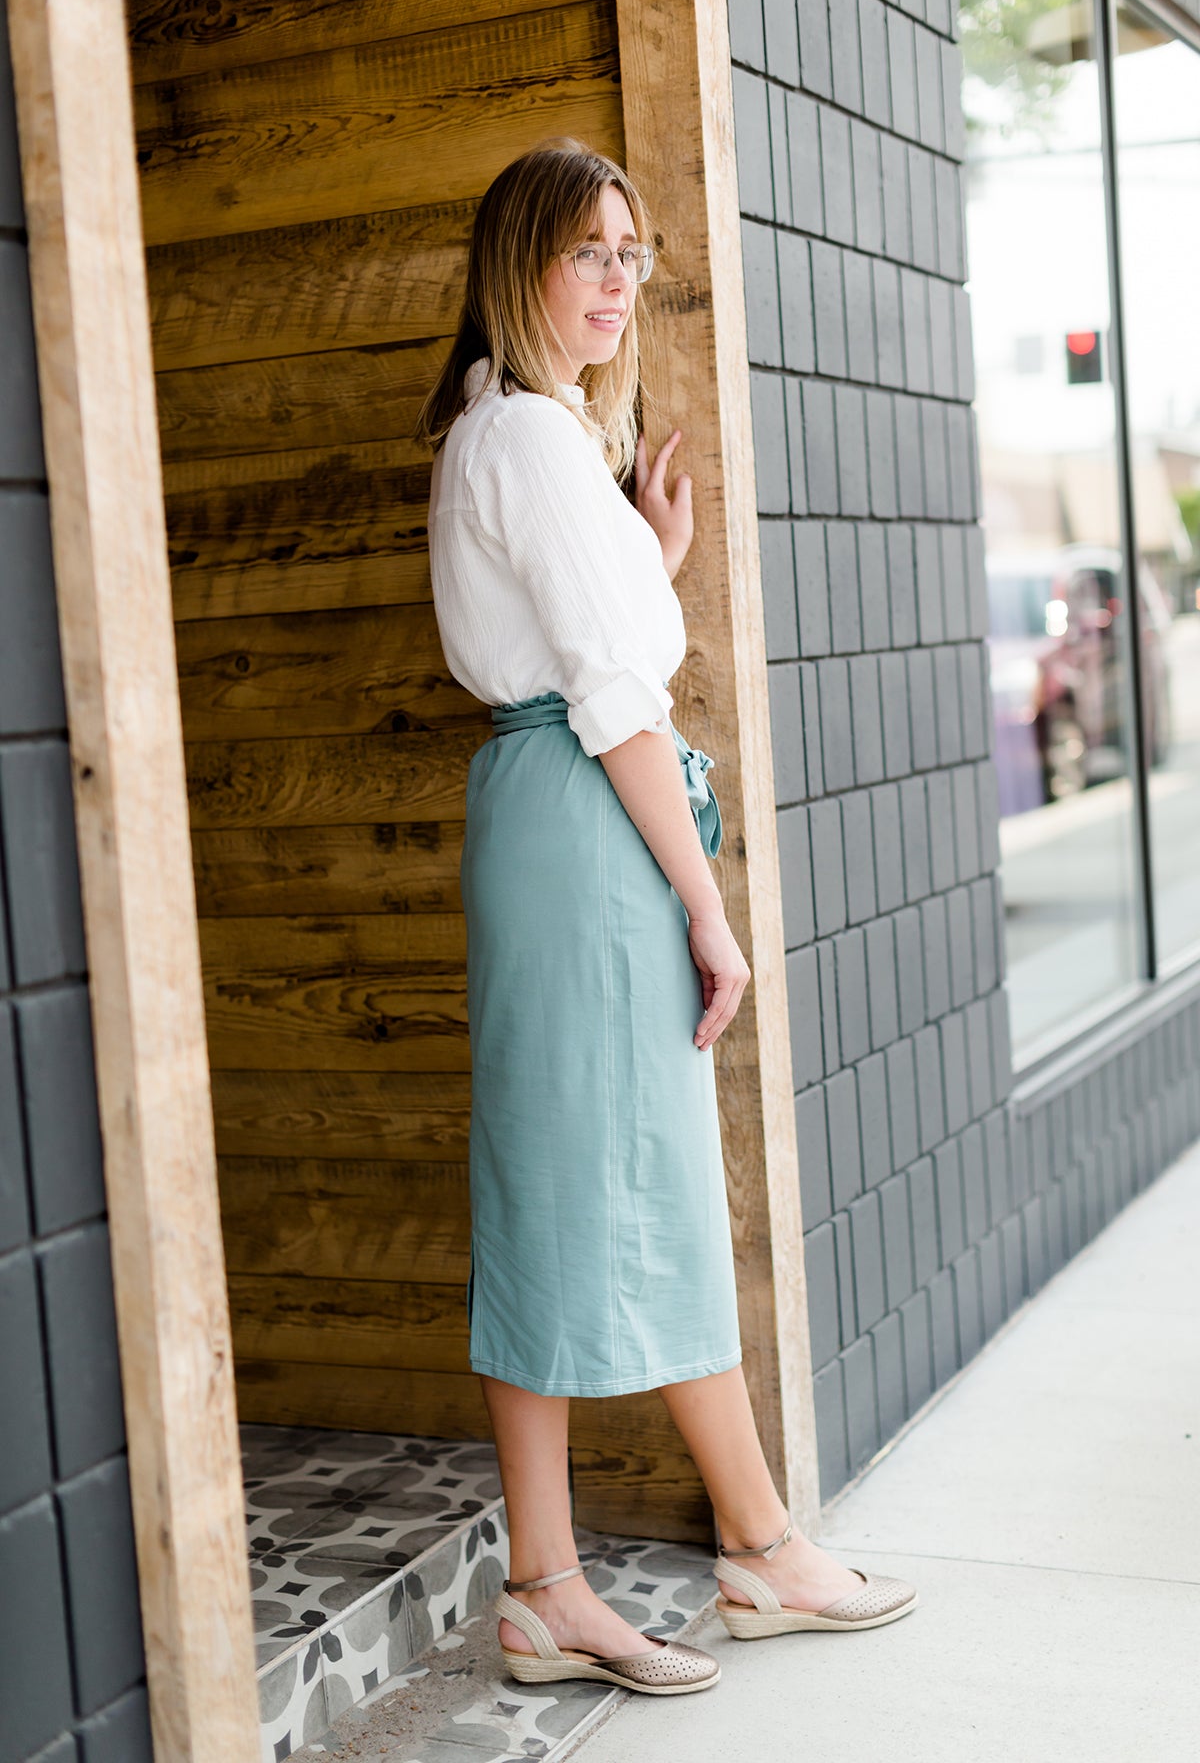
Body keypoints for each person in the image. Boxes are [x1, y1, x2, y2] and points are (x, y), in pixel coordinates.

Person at [415, 136, 916, 1694]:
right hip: (582, 817)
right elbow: (617, 702)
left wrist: (654, 553)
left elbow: (600, 650)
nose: (622, 282)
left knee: (588, 1187)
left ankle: (588, 1577)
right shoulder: (531, 444)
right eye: (592, 254)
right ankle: (704, 1557)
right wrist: (709, 910)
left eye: (635, 254)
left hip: (558, 808)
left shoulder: (520, 436)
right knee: (593, 1190)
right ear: (523, 265)